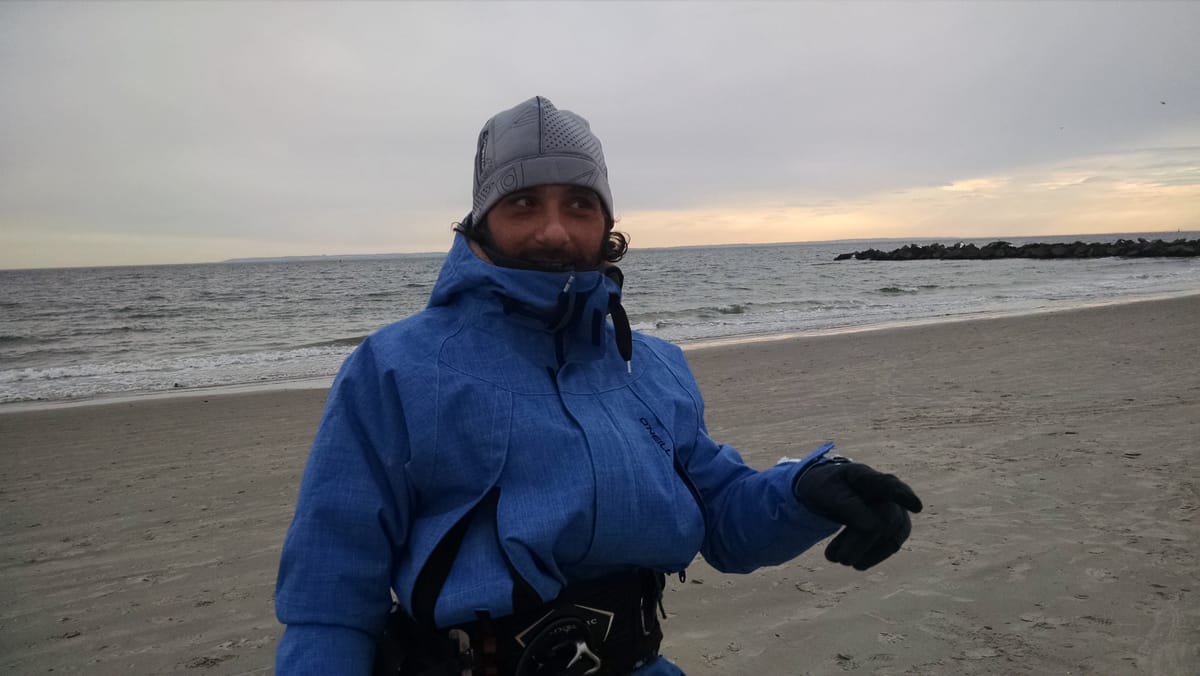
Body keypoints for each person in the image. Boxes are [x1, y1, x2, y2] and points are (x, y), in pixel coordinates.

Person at [274, 96, 923, 675]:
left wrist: (806, 490)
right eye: (523, 202)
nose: (553, 229)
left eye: (578, 204)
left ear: (605, 222)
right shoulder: (394, 370)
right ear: (480, 221)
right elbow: (328, 602)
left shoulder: (653, 366)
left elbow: (722, 519)